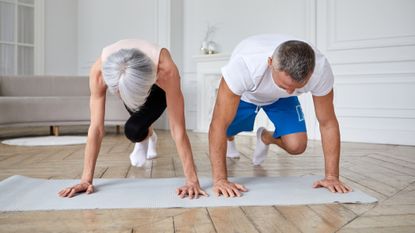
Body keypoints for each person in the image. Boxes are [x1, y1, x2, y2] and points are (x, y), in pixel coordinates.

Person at [58, 39, 207, 199]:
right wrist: (86, 179)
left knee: (136, 127)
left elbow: (177, 128)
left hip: (158, 90)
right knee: (133, 131)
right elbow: (96, 128)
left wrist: (192, 180)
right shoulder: (99, 72)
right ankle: (148, 134)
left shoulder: (167, 70)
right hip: (130, 83)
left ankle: (147, 133)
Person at [209, 34, 352, 197]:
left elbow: (327, 122)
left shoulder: (320, 69)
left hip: (281, 100)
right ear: (270, 63)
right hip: (246, 95)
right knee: (225, 129)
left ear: (311, 73)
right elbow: (218, 124)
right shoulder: (244, 66)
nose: (291, 91)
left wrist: (332, 177)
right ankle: (230, 140)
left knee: (297, 146)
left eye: (298, 87)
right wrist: (220, 180)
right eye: (284, 85)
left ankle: (265, 137)